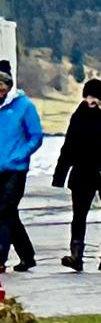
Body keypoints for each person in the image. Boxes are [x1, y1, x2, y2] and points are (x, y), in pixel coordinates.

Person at [53, 78, 101, 272]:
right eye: (87, 96)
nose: (90, 100)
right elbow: (69, 145)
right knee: (79, 215)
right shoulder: (79, 117)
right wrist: (60, 174)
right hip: (82, 172)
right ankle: (76, 256)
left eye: (94, 97)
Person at [0, 63, 39, 274]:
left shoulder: (23, 106)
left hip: (15, 169)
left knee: (3, 212)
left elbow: (36, 136)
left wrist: (20, 155)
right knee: (9, 214)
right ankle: (27, 256)